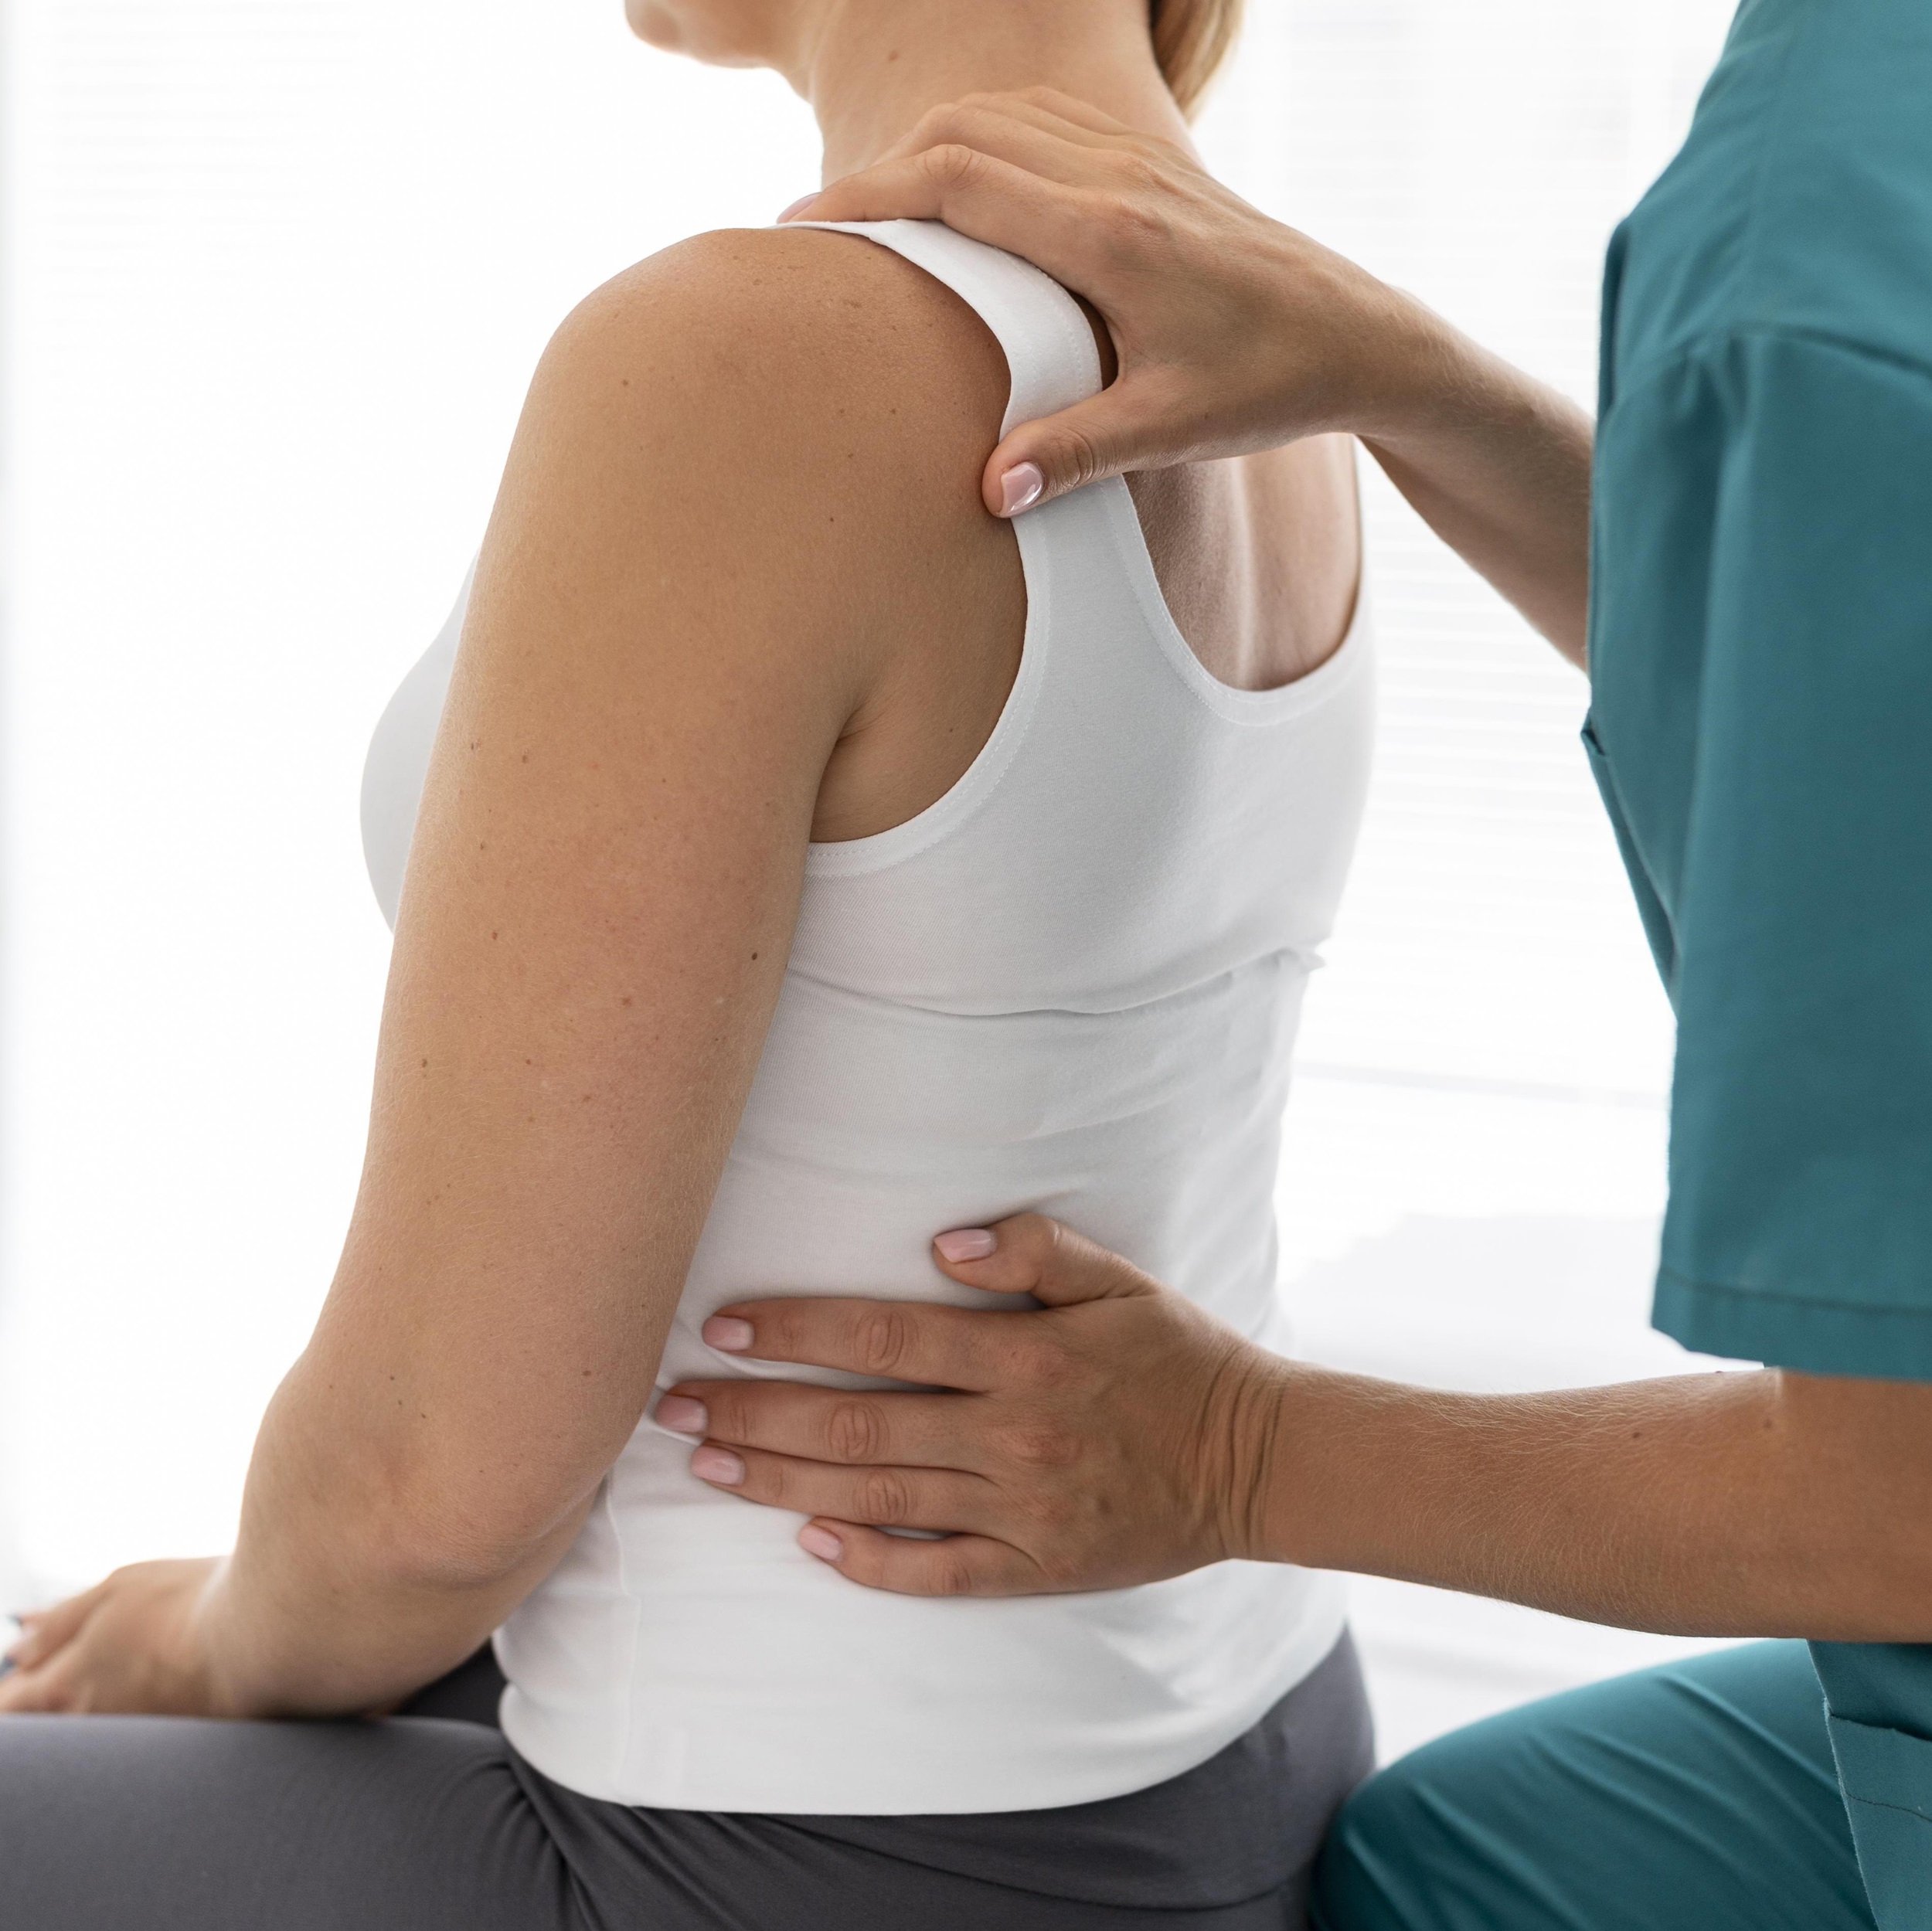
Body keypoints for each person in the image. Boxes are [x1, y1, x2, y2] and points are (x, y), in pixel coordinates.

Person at [0, 1, 1400, 1926]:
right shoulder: (1280, 352)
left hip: (788, 1851)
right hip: (1238, 1763)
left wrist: (200, 1636)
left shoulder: (761, 365)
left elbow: (436, 1489)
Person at [657, 6, 1932, 1928]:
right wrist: (1420, 384)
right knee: (1455, 1864)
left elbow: (1892, 1498)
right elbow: (1847, 676)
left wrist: (1236, 1450)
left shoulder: (1810, 252)